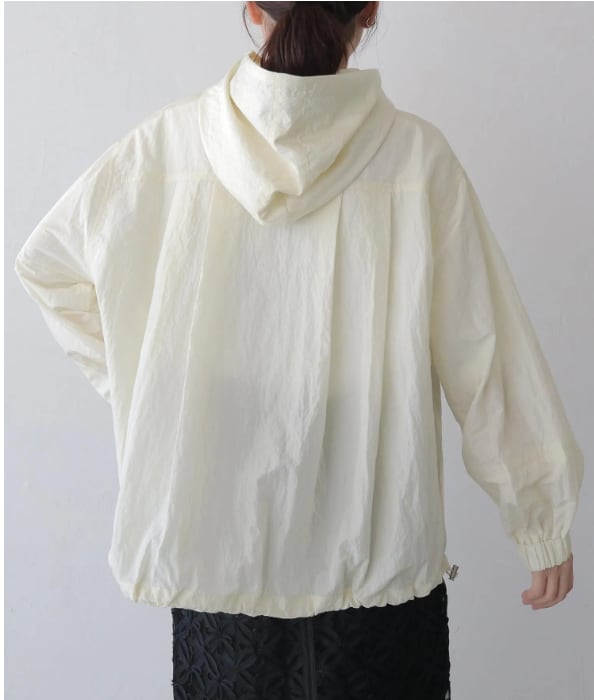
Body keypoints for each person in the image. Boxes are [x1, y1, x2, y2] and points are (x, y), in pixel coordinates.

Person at [14, 2, 583, 699]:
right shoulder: (416, 159)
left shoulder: (164, 150)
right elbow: (485, 349)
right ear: (368, 12)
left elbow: (50, 268)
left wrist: (153, 384)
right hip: (377, 577)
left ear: (253, 11)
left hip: (219, 571)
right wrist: (539, 516)